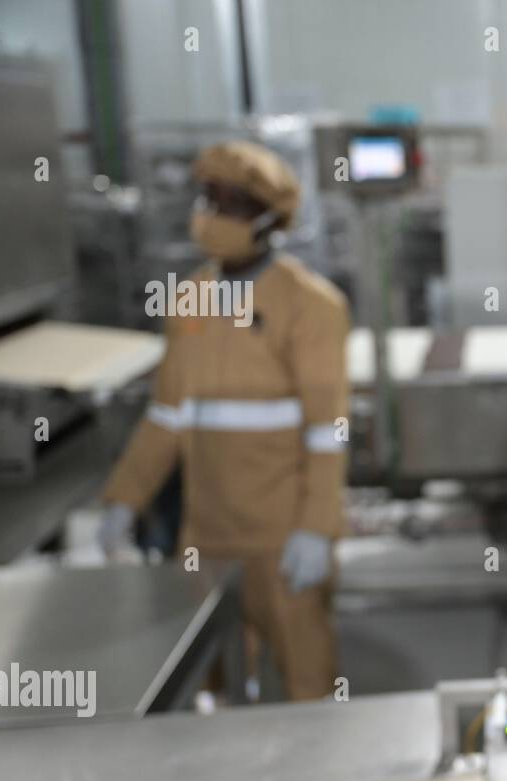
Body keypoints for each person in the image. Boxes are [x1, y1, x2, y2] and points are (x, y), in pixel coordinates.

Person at [99, 141, 349, 702]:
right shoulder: (190, 299)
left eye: (230, 204)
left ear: (267, 219)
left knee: (307, 674)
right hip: (207, 534)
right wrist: (124, 500)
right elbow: (166, 416)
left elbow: (327, 430)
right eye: (208, 199)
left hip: (281, 533)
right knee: (215, 679)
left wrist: (317, 527)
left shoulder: (311, 306)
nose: (211, 217)